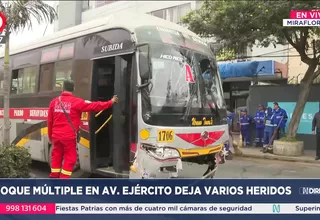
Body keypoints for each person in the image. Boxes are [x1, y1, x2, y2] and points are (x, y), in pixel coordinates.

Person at [47, 79, 119, 179]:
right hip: (69, 137)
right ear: (74, 89)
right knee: (70, 158)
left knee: (56, 156)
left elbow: (49, 121)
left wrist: (50, 136)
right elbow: (95, 106)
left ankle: (54, 177)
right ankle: (63, 180)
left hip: (56, 137)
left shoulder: (54, 102)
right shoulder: (77, 102)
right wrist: (110, 102)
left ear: (62, 89)